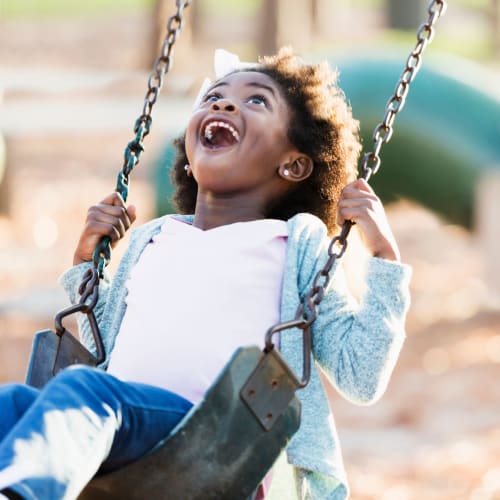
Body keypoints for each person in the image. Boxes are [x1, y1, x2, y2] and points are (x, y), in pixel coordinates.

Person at [0, 47, 411, 499]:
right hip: (121, 427)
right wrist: (85, 266)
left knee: (86, 391)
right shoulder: (153, 237)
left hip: (216, 439)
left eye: (256, 101)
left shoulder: (296, 244)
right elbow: (102, 348)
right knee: (13, 403)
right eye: (213, 97)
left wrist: (384, 255)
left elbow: (361, 375)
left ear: (293, 164)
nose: (223, 104)